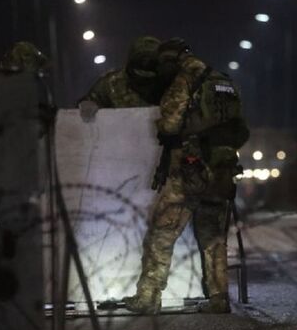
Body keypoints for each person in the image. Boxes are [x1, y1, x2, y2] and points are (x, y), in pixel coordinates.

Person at [122, 38, 249, 314]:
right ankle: (219, 298)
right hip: (222, 169)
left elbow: (170, 124)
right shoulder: (223, 81)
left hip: (190, 170)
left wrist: (165, 126)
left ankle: (148, 297)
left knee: (162, 232)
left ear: (171, 59)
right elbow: (241, 129)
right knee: (213, 237)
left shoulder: (186, 79)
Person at [78, 36, 164, 113]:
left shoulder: (167, 82)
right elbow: (91, 101)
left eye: (151, 61)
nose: (146, 63)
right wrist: (88, 105)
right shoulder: (111, 83)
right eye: (142, 59)